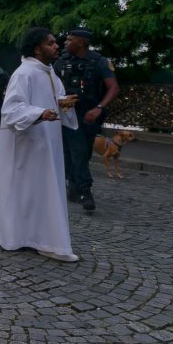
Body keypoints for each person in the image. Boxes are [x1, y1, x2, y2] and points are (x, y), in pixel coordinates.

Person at [0, 27, 79, 262]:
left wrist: (63, 104)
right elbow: (11, 109)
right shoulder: (24, 73)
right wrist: (39, 113)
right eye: (50, 43)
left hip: (48, 142)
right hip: (27, 143)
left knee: (40, 188)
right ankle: (40, 239)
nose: (56, 46)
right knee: (26, 188)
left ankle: (27, 233)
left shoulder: (49, 73)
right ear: (37, 48)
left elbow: (54, 101)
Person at [54, 28, 119, 213]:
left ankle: (74, 187)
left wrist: (99, 108)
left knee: (83, 153)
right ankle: (85, 191)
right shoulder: (61, 62)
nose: (65, 43)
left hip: (90, 115)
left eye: (70, 40)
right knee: (77, 151)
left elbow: (113, 88)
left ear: (81, 42)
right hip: (68, 114)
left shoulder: (99, 62)